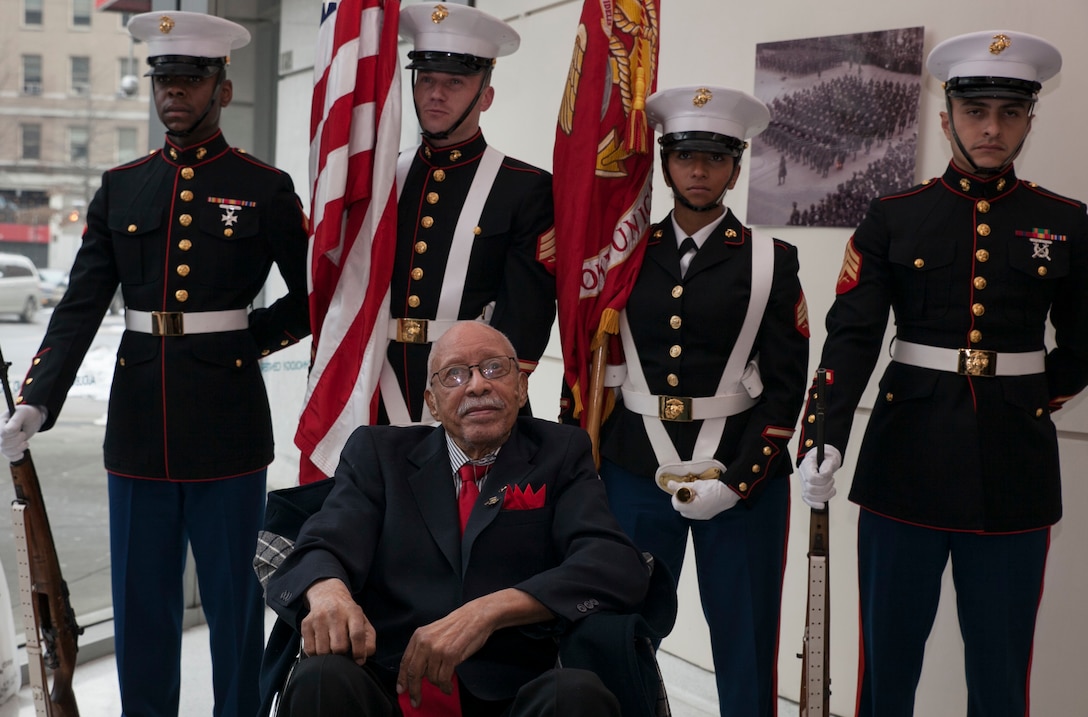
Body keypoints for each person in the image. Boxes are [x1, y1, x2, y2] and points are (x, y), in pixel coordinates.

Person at [0, 11, 310, 717]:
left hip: (229, 425)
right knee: (142, 605)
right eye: (165, 79)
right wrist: (36, 398)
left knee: (234, 602)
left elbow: (318, 298)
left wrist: (244, 339)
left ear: (222, 90)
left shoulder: (264, 187)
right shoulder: (122, 186)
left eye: (191, 80)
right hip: (139, 426)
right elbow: (79, 305)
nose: (175, 93)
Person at [797, 30, 1088, 716]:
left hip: (1014, 472)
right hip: (906, 464)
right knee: (887, 670)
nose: (991, 127)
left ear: (1028, 121)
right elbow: (853, 337)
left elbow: (1081, 339)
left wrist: (1032, 398)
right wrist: (824, 431)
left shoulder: (1065, 221)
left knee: (1000, 674)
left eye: (1009, 113)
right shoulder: (895, 217)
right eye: (976, 110)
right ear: (945, 115)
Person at [267, 321, 650, 716]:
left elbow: (612, 562)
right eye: (454, 374)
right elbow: (324, 541)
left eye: (493, 368)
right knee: (320, 677)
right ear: (432, 403)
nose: (477, 385)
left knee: (576, 695)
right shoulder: (379, 455)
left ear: (521, 388)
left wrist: (487, 612)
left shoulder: (561, 454)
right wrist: (328, 592)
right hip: (389, 688)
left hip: (513, 696)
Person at [593, 86, 810, 715]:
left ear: (736, 168)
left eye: (714, 159)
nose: (697, 171)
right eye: (685, 156)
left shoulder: (773, 261)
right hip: (634, 468)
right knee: (619, 633)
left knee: (744, 640)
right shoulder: (624, 254)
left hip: (741, 474)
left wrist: (741, 480)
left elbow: (785, 386)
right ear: (664, 163)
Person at [381, 3, 556, 425]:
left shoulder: (524, 186)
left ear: (486, 96)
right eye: (426, 80)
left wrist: (494, 390)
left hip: (474, 391)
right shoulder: (384, 177)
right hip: (381, 380)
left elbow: (526, 313)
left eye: (455, 82)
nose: (436, 94)